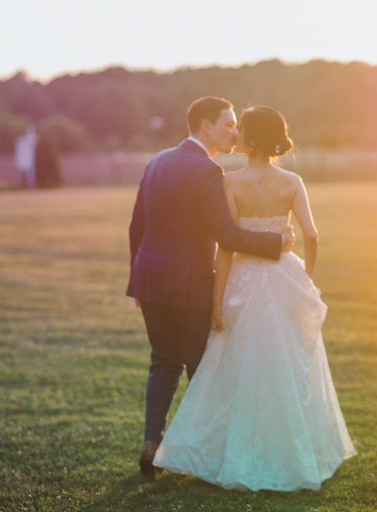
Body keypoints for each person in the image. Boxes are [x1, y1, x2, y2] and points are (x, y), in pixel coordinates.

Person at [153, 106, 356, 491]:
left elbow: (225, 248)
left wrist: (217, 300)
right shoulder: (292, 180)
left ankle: (232, 451)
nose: (236, 135)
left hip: (244, 279)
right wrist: (306, 278)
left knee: (236, 366)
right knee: (289, 365)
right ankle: (294, 450)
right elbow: (311, 235)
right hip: (285, 275)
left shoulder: (230, 182)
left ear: (251, 139)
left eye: (240, 129)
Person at [127, 97, 296, 481]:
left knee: (162, 361)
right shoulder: (208, 171)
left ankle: (152, 443)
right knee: (202, 370)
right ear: (206, 127)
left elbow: (137, 228)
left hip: (150, 282)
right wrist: (276, 243)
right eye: (228, 124)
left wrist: (137, 279)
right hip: (189, 286)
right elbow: (226, 235)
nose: (236, 131)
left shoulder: (156, 161)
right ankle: (202, 454)